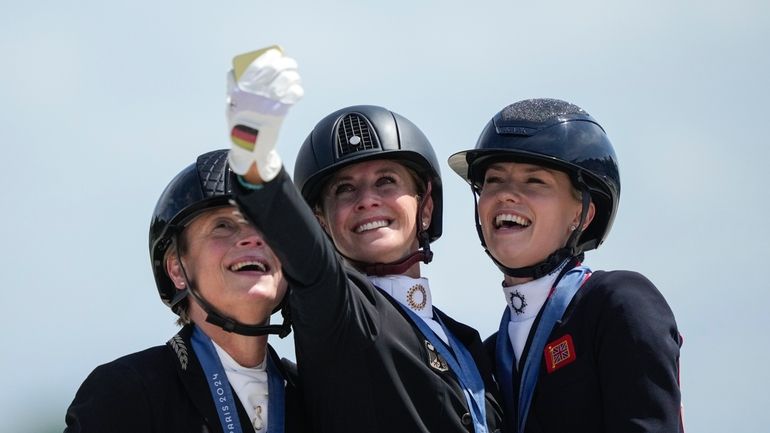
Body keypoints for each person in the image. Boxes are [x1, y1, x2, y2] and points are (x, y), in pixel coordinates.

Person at [225, 47, 502, 432]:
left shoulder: (466, 343)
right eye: (344, 190)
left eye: (386, 181)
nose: (367, 200)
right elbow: (311, 260)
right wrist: (254, 161)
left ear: (425, 206)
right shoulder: (338, 311)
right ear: (320, 222)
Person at [447, 98, 684, 432]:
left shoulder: (618, 303)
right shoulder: (484, 357)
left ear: (582, 214)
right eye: (494, 180)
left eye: (535, 181)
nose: (506, 195)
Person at [64, 149, 306, 433]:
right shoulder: (125, 393)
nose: (253, 238)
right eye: (223, 225)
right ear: (177, 269)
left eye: (266, 225)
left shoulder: (314, 396)